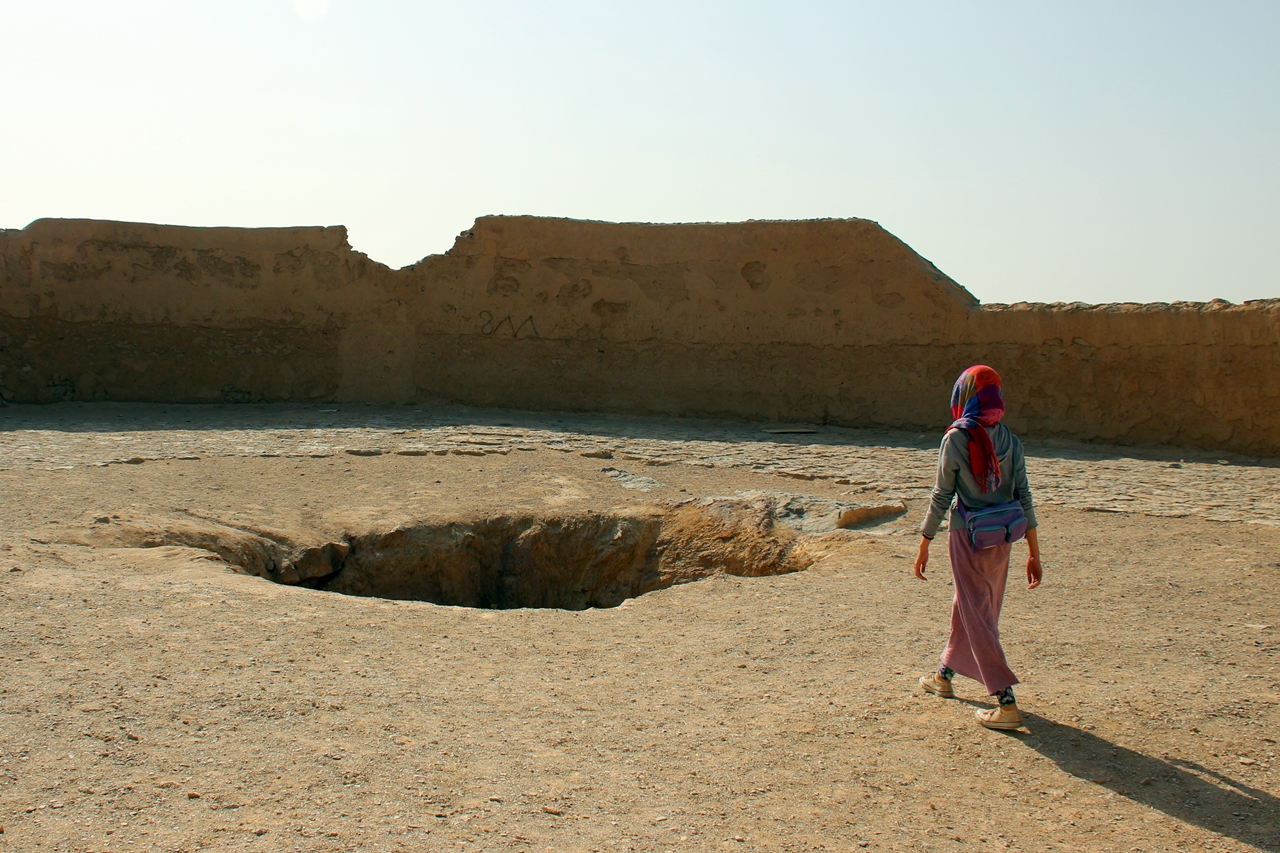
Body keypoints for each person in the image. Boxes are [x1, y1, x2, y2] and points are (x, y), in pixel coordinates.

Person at [913, 365, 1042, 730]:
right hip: (1003, 539)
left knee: (978, 615)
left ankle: (1006, 702)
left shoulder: (956, 438)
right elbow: (1024, 496)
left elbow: (942, 495)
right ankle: (944, 675)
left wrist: (924, 542)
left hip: (968, 538)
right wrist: (1034, 552)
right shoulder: (1010, 441)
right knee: (969, 607)